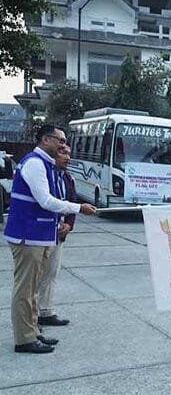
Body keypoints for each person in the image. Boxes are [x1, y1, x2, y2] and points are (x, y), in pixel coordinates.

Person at [3, 125, 96, 354]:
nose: (64, 145)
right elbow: (45, 201)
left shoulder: (46, 164)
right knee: (25, 289)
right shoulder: (35, 163)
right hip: (28, 236)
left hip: (39, 236)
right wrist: (78, 208)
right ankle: (24, 339)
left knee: (34, 288)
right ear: (46, 140)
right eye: (60, 140)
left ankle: (33, 331)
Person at [37, 145, 76, 327]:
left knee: (52, 273)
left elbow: (71, 203)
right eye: (62, 153)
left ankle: (46, 311)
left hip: (59, 233)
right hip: (42, 232)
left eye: (68, 153)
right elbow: (45, 202)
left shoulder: (67, 178)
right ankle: (32, 317)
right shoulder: (45, 175)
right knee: (37, 276)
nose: (67, 157)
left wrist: (68, 224)